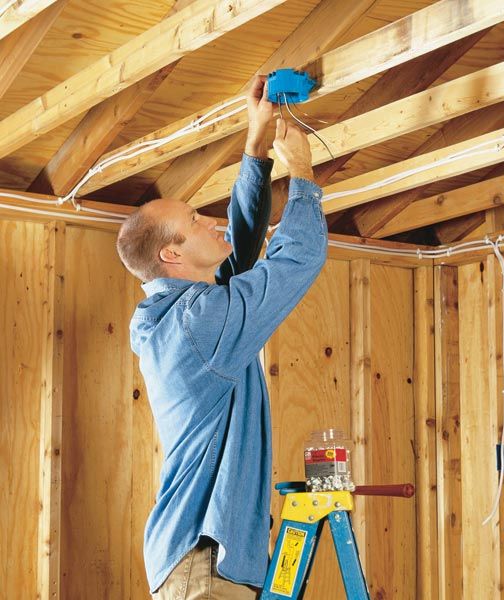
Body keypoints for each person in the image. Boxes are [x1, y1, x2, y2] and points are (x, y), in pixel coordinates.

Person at [116, 75, 328, 599]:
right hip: (203, 562)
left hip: (202, 561)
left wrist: (256, 149)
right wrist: (301, 175)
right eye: (194, 221)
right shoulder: (199, 324)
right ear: (171, 255)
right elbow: (294, 259)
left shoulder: (185, 316)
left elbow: (241, 251)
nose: (211, 221)